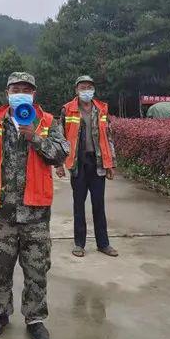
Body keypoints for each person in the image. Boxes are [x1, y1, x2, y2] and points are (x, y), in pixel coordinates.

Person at [0, 72, 69, 339]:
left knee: (37, 268)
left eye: (26, 89)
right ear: (7, 93)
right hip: (1, 211)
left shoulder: (47, 121)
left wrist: (35, 138)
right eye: (16, 89)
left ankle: (35, 318)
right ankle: (0, 313)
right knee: (1, 267)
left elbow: (61, 154)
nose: (21, 93)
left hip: (36, 213)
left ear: (34, 94)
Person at [55, 75, 117, 258]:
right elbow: (60, 138)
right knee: (78, 205)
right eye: (83, 87)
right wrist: (59, 163)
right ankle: (79, 244)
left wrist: (111, 164)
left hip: (97, 163)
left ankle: (103, 244)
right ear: (76, 90)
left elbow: (108, 137)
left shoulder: (101, 109)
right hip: (78, 164)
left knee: (99, 204)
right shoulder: (68, 110)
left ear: (94, 89)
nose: (86, 90)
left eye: (89, 87)